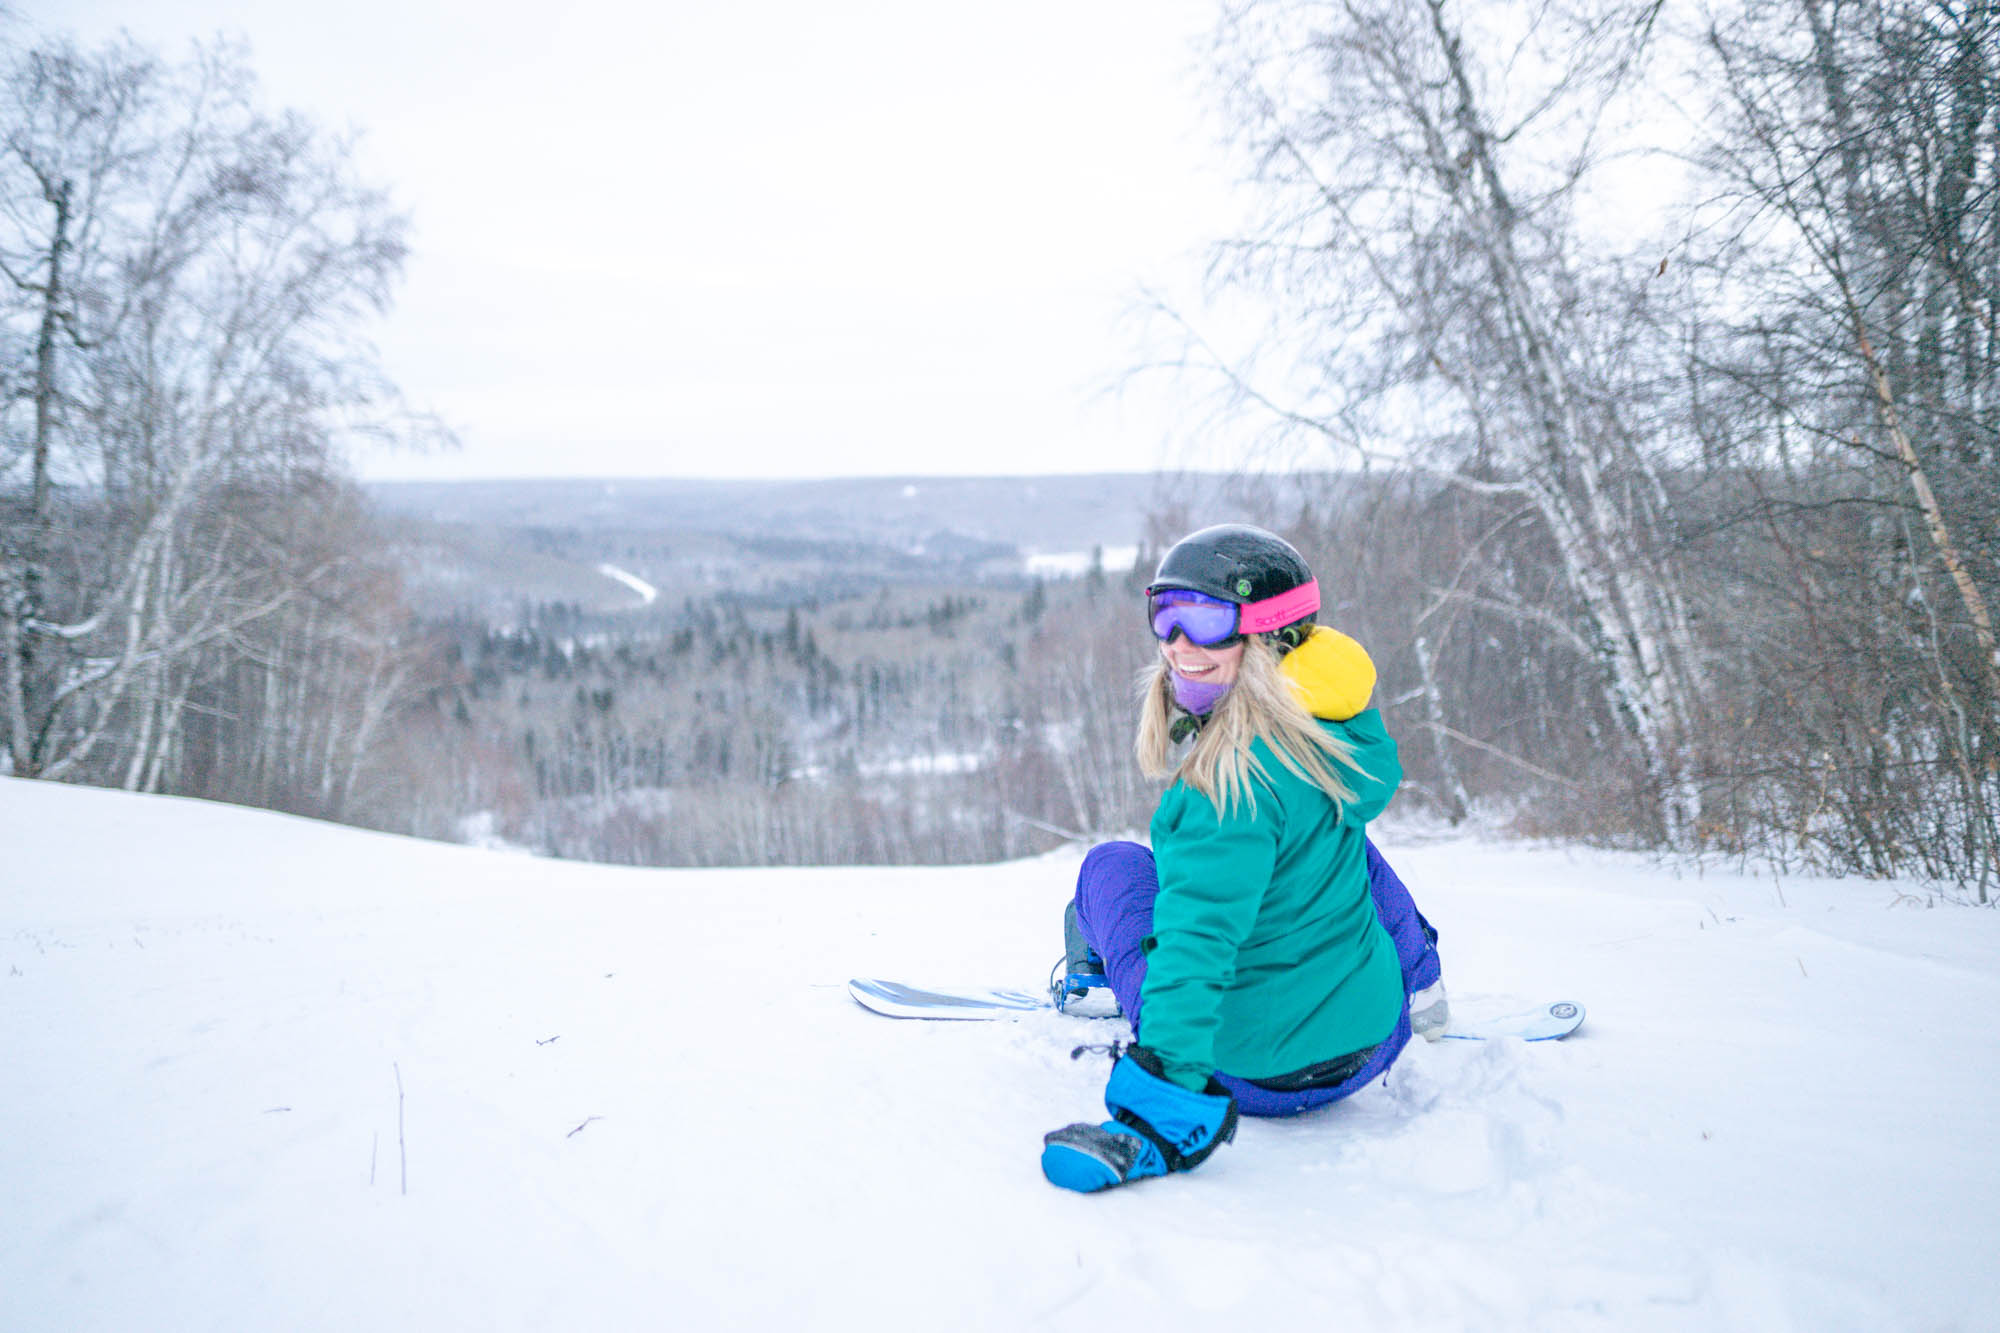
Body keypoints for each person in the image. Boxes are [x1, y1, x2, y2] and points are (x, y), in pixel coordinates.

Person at [1040, 523, 1445, 1194]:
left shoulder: (1226, 786)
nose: (1177, 644)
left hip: (1246, 1070)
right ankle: (1425, 979)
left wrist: (1160, 1112)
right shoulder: (1328, 739)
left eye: (1203, 619)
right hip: (1374, 1041)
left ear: (1266, 636)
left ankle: (1095, 976)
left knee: (1111, 867)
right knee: (1348, 847)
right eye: (1164, 616)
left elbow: (1196, 943)